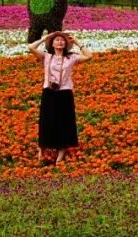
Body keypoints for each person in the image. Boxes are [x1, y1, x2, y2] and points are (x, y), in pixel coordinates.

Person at [28, 30, 92, 164]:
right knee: (46, 121)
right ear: (52, 43)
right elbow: (31, 47)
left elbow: (89, 56)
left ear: (66, 44)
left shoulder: (71, 57)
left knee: (64, 122)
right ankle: (42, 149)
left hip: (65, 92)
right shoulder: (46, 56)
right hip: (49, 92)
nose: (60, 42)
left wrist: (77, 43)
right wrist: (45, 37)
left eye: (62, 40)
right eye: (56, 40)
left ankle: (61, 152)